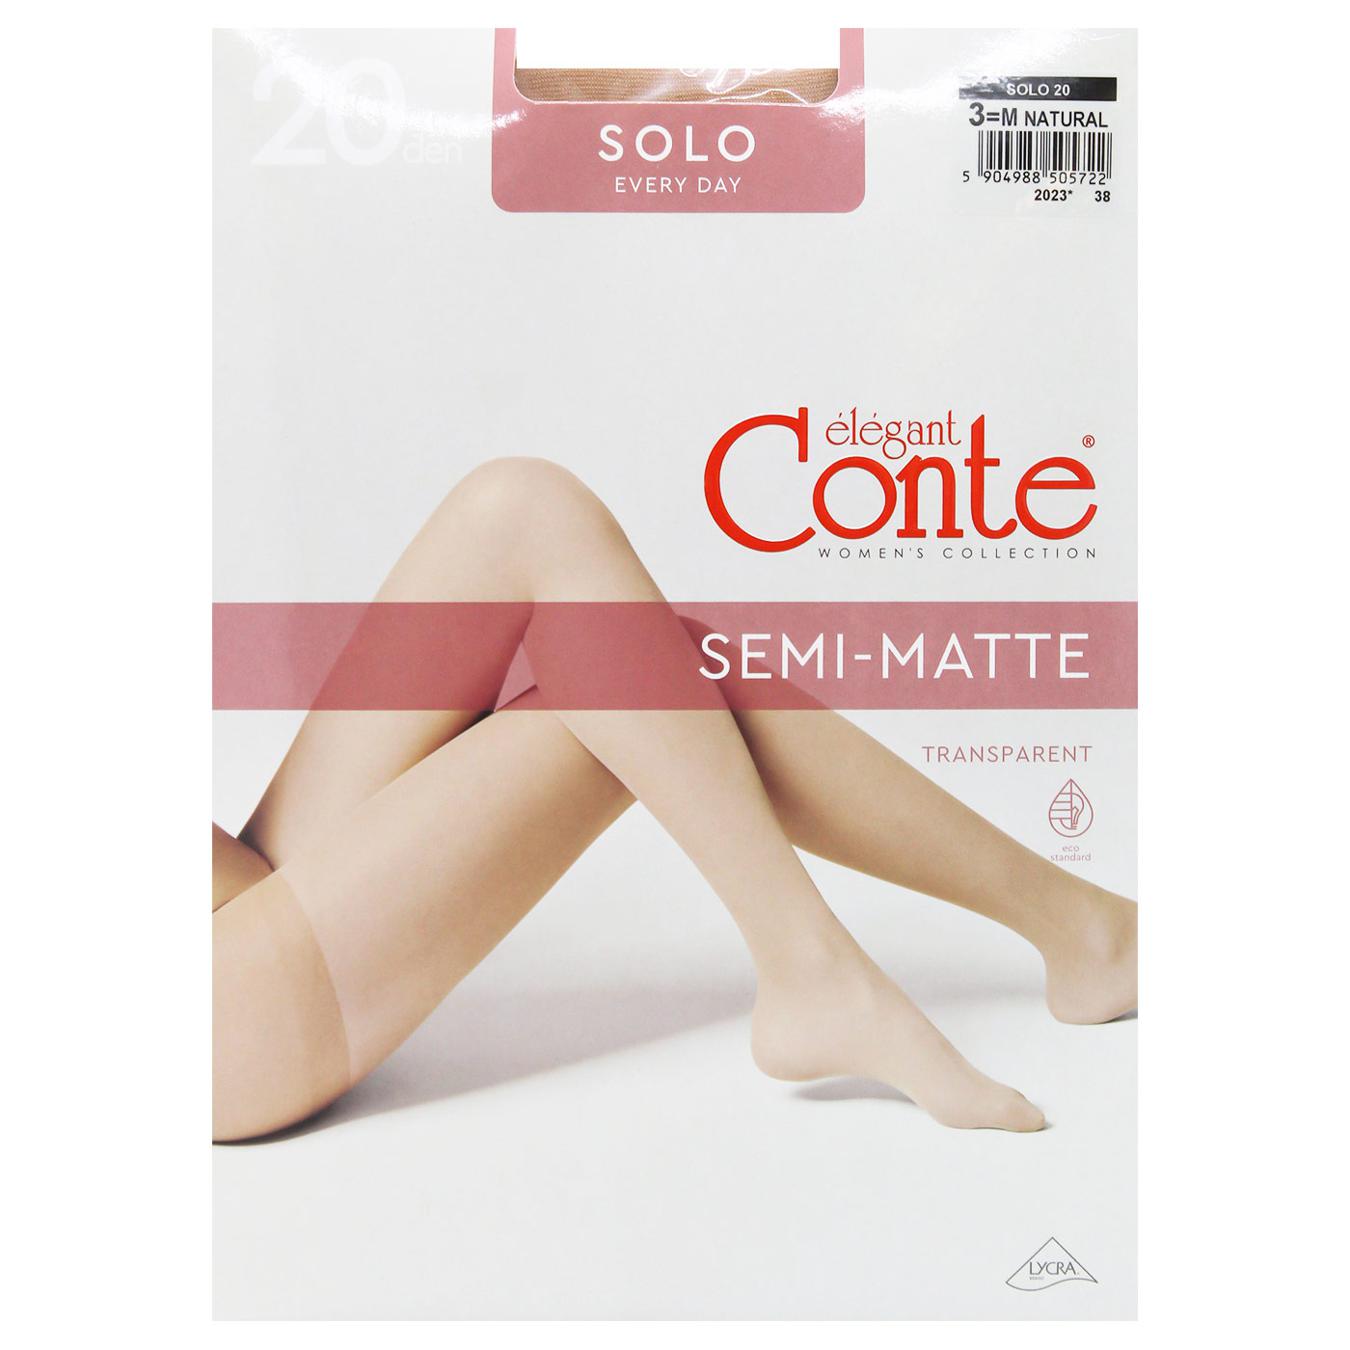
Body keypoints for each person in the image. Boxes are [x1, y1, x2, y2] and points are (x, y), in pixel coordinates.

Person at [213, 458, 1136, 1141]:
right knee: (636, 682)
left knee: (527, 517)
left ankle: (1068, 935)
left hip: (234, 898)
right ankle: (838, 964)